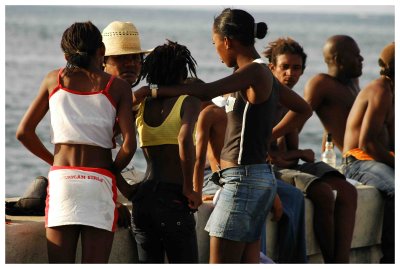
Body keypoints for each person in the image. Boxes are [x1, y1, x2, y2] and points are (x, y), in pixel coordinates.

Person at [134, 8, 312, 263]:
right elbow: (303, 109)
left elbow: (205, 91)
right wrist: (267, 135)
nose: (217, 52)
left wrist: (150, 91)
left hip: (242, 183)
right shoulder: (260, 74)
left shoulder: (253, 72)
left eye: (215, 43)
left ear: (227, 41)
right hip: (257, 179)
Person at [15, 21, 136, 263]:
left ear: (65, 54)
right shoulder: (118, 87)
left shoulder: (53, 80)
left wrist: (56, 161)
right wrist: (110, 171)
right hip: (99, 181)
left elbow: (24, 132)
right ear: (101, 51)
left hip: (62, 181)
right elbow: (129, 145)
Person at [264, 37, 357, 263]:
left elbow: (290, 153)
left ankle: (341, 261)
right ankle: (330, 261)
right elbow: (267, 155)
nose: (290, 73)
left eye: (296, 68)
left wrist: (297, 155)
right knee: (323, 194)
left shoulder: (292, 102)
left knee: (347, 191)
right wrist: (299, 154)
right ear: (272, 68)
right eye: (284, 67)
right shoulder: (265, 100)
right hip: (269, 171)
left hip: (287, 166)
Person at [131, 40, 202, 263]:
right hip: (173, 198)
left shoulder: (141, 105)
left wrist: (124, 187)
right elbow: (184, 138)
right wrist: (189, 188)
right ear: (183, 71)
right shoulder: (188, 101)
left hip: (143, 198)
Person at [342, 42, 394, 263]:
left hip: (375, 160)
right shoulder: (380, 90)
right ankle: (391, 256)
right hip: (357, 161)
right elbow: (368, 142)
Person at [101, 20, 152, 228]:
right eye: (122, 58)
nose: (131, 64)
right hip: (103, 181)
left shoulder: (131, 98)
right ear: (103, 60)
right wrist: (114, 195)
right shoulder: (98, 97)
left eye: (135, 58)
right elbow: (94, 152)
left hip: (121, 176)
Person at [303, 35, 364, 152]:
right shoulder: (321, 84)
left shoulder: (352, 81)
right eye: (356, 55)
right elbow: (296, 121)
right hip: (359, 160)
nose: (361, 59)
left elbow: (333, 118)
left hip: (375, 155)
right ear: (338, 60)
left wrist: (326, 155)